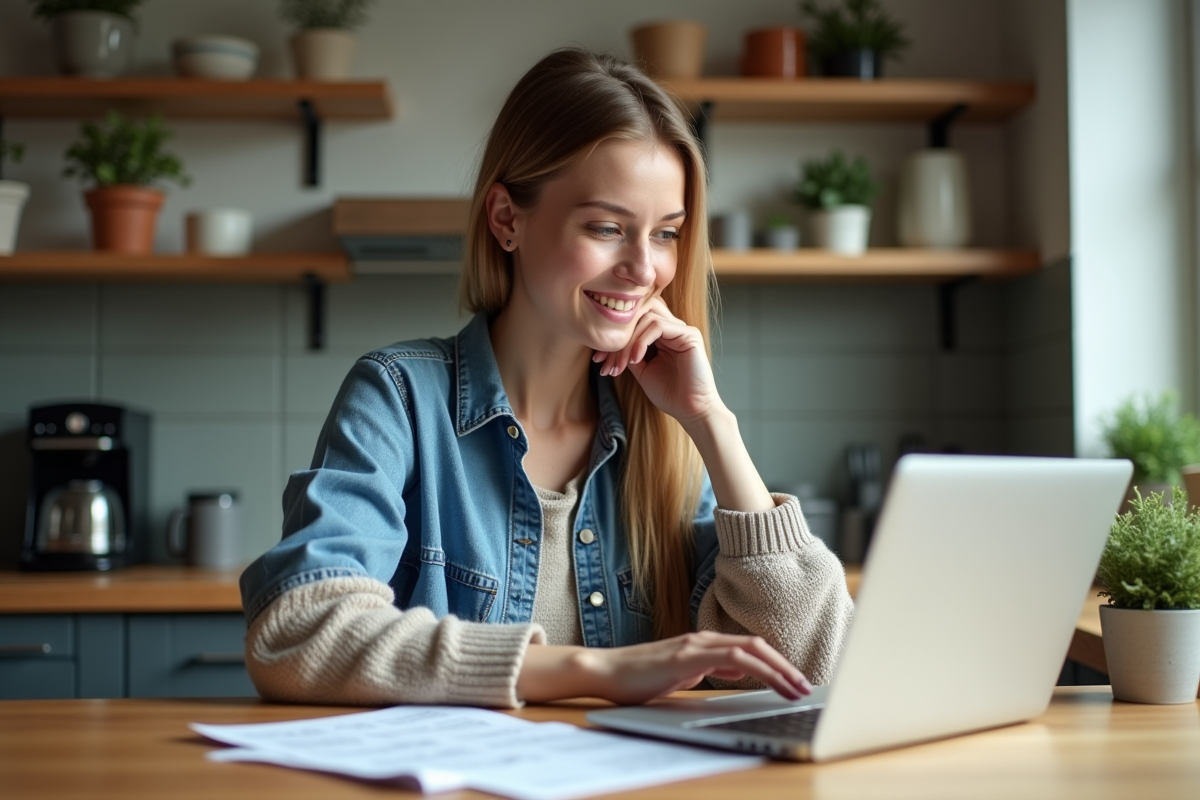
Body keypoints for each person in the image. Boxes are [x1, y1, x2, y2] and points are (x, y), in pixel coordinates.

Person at [239, 48, 854, 708]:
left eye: (666, 234)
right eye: (607, 227)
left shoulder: (668, 436)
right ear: (507, 219)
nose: (644, 269)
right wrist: (591, 671)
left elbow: (812, 662)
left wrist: (712, 422)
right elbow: (297, 630)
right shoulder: (398, 397)